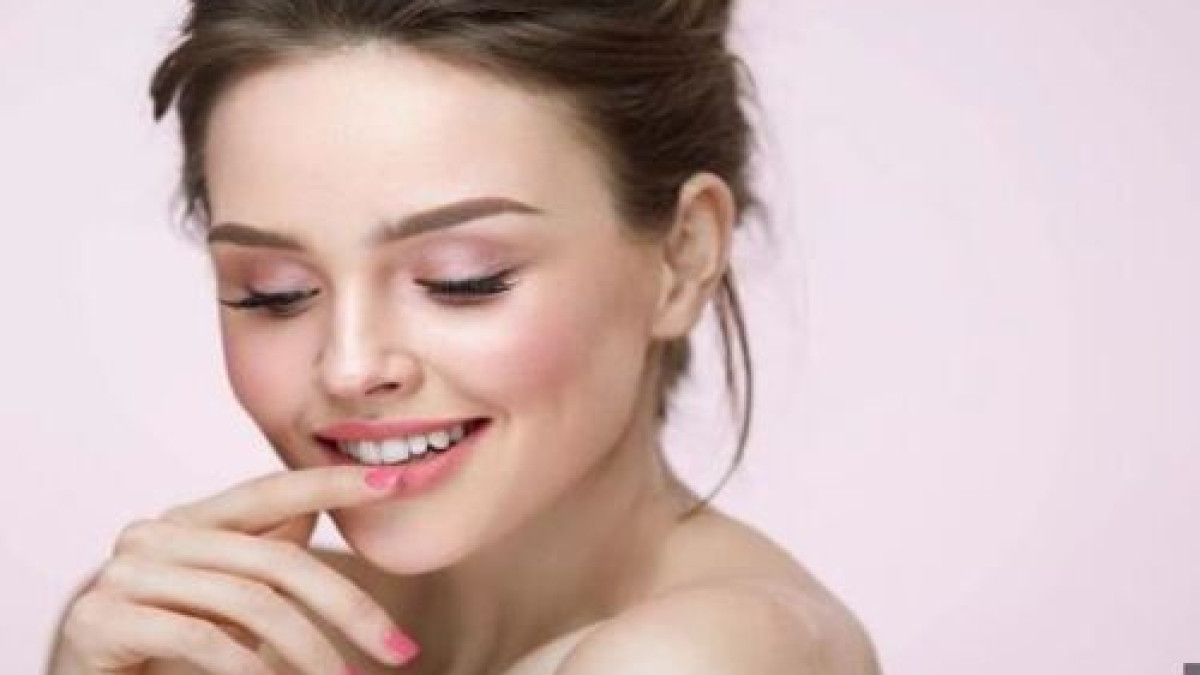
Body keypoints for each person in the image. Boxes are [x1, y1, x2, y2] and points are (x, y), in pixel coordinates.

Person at [47, 1, 881, 673]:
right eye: (275, 292)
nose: (350, 366)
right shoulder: (205, 638)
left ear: (682, 254)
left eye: (463, 278)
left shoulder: (702, 655)